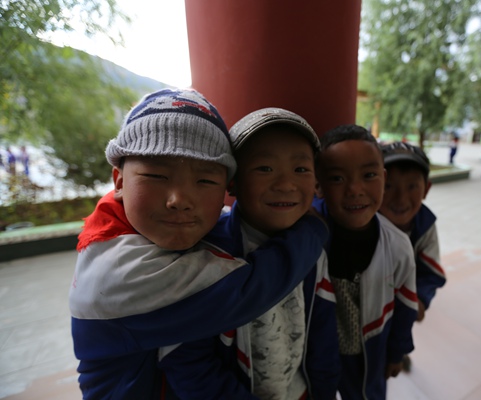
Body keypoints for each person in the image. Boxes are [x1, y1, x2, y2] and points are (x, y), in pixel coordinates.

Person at [68, 89, 330, 399]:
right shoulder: (118, 272)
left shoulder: (137, 232)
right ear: (120, 181)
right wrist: (314, 227)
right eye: (156, 175)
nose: (179, 200)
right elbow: (249, 289)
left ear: (225, 189)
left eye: (205, 181)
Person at [160, 108, 341, 399]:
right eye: (265, 168)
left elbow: (323, 339)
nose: (285, 184)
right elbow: (187, 362)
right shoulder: (206, 253)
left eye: (301, 169)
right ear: (232, 182)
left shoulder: (313, 253)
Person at [312, 124, 418, 400]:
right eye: (336, 178)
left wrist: (397, 353)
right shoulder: (307, 238)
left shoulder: (397, 245)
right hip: (319, 352)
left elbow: (406, 306)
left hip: (370, 351)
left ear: (383, 178)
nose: (355, 189)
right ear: (318, 186)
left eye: (369, 175)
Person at [378, 141, 446, 326]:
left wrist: (421, 300)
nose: (401, 198)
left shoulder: (425, 226)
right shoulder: (366, 220)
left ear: (427, 189)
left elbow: (430, 272)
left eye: (412, 186)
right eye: (388, 186)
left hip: (403, 304)